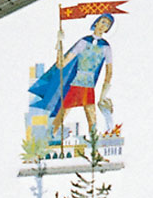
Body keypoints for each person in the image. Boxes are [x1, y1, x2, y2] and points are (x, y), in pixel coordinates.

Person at [29, 13, 114, 149]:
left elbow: (109, 73)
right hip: (76, 83)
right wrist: (59, 43)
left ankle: (94, 147)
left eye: (107, 25)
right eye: (103, 22)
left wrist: (103, 95)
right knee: (62, 114)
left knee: (92, 117)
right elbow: (61, 64)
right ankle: (45, 142)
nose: (104, 26)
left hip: (89, 85)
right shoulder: (83, 42)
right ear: (96, 23)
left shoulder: (106, 47)